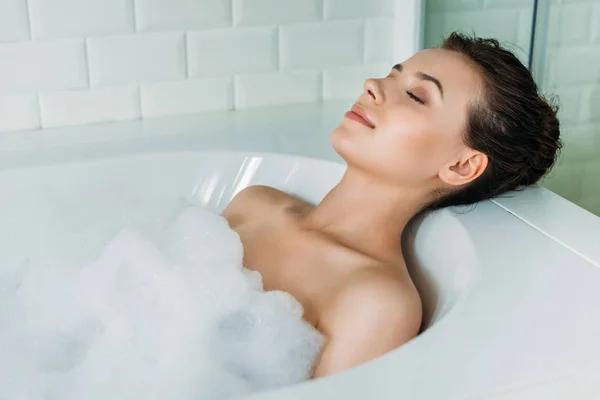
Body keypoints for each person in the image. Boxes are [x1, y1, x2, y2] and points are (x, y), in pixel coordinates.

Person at [222, 32, 562, 378]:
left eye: (416, 96)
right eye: (390, 75)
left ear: (461, 166)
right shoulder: (255, 203)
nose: (372, 84)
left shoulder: (377, 302)